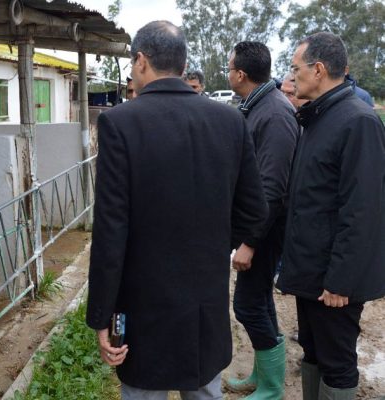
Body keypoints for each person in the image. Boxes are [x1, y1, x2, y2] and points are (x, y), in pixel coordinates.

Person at [86, 20, 268, 400]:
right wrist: (216, 242)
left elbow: (110, 229)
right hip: (204, 298)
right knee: (203, 388)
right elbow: (254, 209)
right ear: (184, 67)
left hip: (142, 303)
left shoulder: (119, 123)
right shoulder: (230, 120)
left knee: (143, 390)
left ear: (140, 61)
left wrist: (101, 315)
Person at [276, 32, 385, 400]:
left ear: (318, 69)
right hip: (311, 269)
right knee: (312, 350)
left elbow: (363, 211)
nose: (291, 77)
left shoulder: (357, 122)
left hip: (333, 280)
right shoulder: (317, 118)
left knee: (337, 362)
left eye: (295, 68)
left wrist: (341, 281)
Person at [225, 41, 299, 399]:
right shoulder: (256, 107)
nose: (228, 74)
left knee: (248, 305)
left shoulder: (274, 114)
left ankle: (271, 387)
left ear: (240, 74)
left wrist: (250, 242)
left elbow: (272, 189)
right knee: (259, 302)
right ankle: (262, 374)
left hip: (266, 231)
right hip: (257, 227)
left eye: (228, 68)